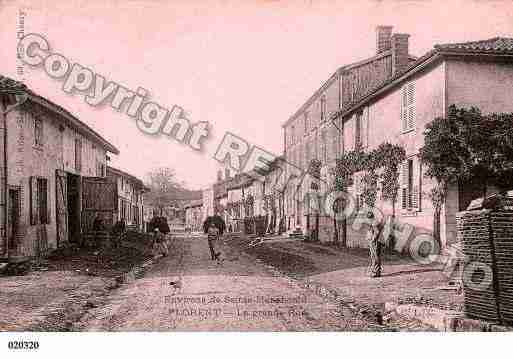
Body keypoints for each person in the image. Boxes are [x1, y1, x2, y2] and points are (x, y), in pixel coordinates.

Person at [367, 211, 384, 278]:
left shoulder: (374, 223)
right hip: (376, 241)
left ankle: (375, 272)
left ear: (370, 218)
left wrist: (372, 240)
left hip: (375, 242)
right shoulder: (375, 222)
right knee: (375, 256)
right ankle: (377, 271)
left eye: (368, 218)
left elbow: (376, 232)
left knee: (375, 257)